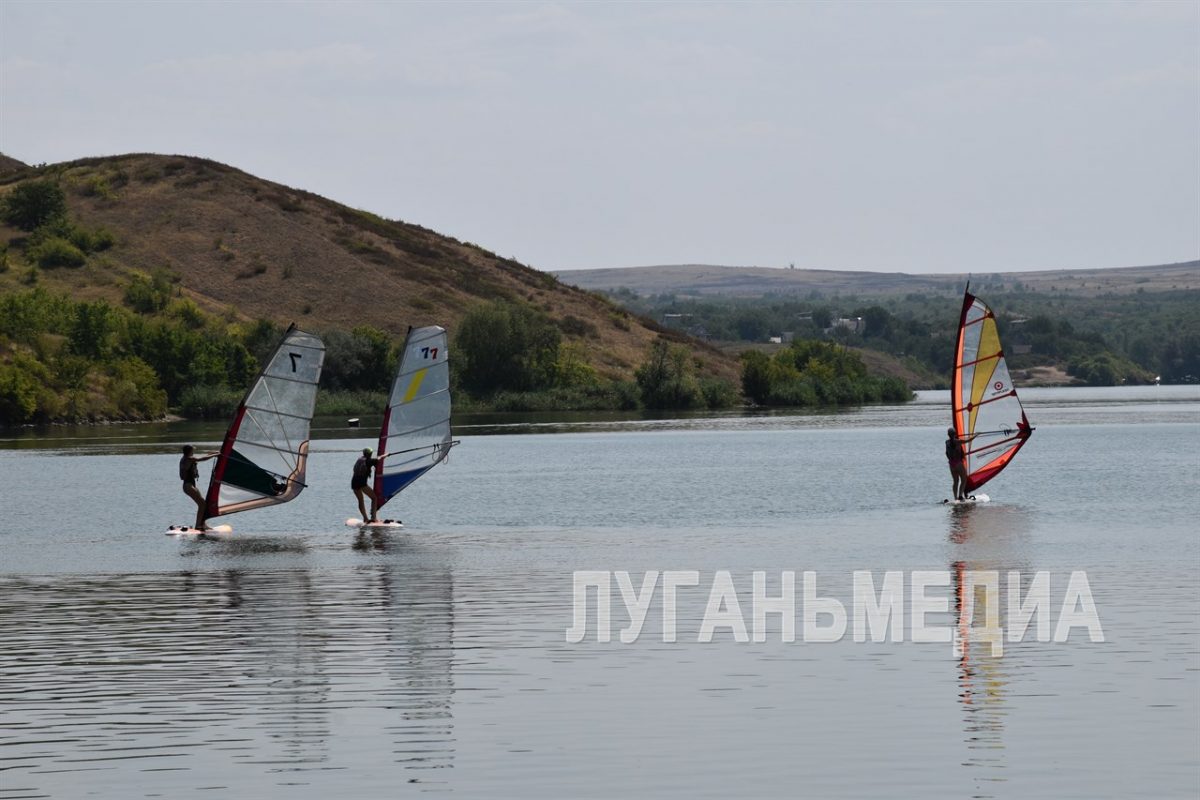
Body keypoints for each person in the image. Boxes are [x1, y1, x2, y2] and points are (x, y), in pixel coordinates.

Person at [180, 445, 218, 530]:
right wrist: (214, 455)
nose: (193, 452)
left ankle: (202, 524)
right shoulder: (189, 459)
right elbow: (201, 458)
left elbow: (203, 456)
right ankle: (198, 525)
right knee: (202, 504)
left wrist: (214, 453)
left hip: (190, 485)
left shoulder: (187, 458)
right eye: (193, 450)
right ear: (189, 451)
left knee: (203, 504)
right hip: (188, 486)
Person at [352, 447, 388, 522]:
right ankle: (373, 518)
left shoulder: (360, 459)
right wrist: (386, 455)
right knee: (374, 498)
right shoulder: (369, 461)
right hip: (362, 484)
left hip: (354, 483)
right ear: (370, 454)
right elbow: (379, 458)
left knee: (360, 500)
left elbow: (375, 460)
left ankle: (365, 518)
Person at [945, 427, 976, 501]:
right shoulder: (958, 441)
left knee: (955, 481)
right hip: (958, 463)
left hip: (951, 464)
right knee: (964, 479)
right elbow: (968, 440)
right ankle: (960, 496)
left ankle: (955, 498)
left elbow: (946, 453)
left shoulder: (946, 442)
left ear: (948, 435)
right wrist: (976, 435)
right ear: (955, 434)